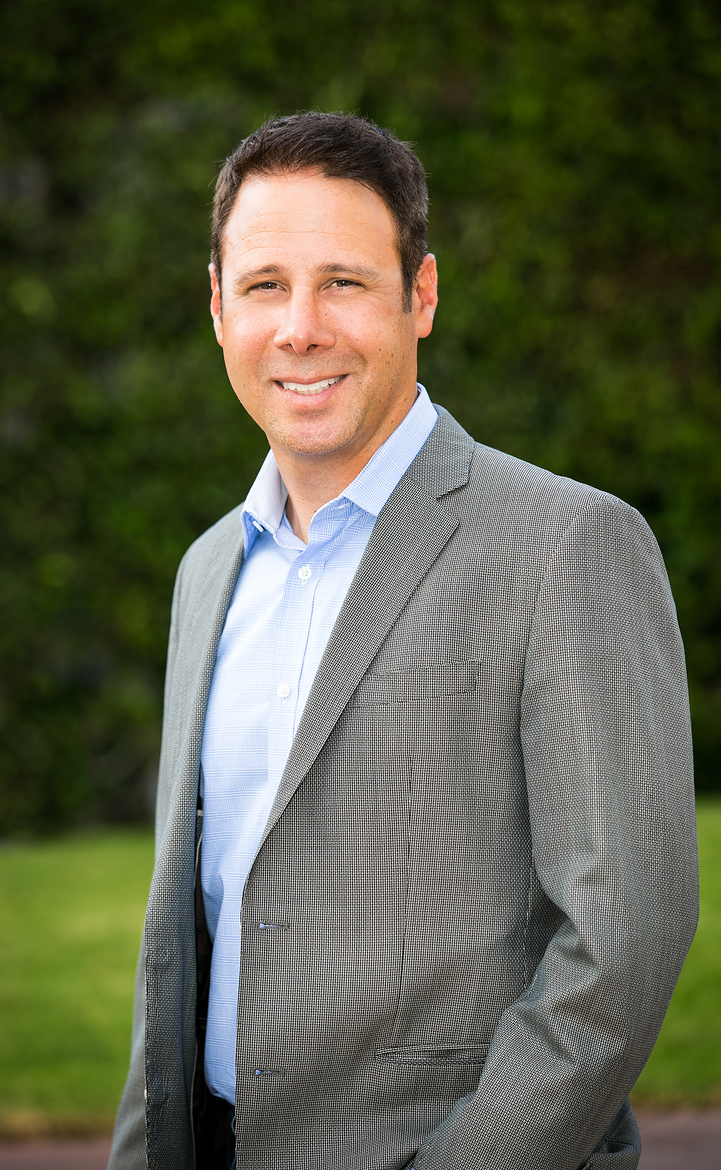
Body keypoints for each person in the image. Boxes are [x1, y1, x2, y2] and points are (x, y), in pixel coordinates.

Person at [108, 112, 698, 1170]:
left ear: (420, 296)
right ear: (218, 307)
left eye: (343, 281)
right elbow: (181, 945)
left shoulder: (568, 544)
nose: (300, 328)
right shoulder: (209, 570)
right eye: (264, 285)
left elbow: (625, 938)